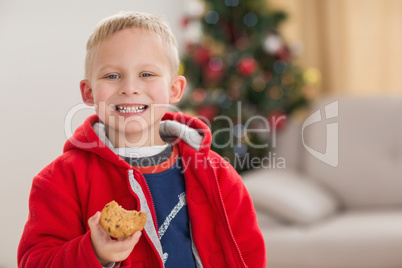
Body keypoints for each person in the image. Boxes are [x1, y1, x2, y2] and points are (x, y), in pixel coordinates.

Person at [17, 11, 266, 267]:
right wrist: (94, 252)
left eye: (146, 74)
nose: (129, 87)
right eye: (112, 76)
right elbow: (35, 261)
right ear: (89, 92)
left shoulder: (217, 173)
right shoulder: (59, 180)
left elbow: (247, 253)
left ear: (174, 89)